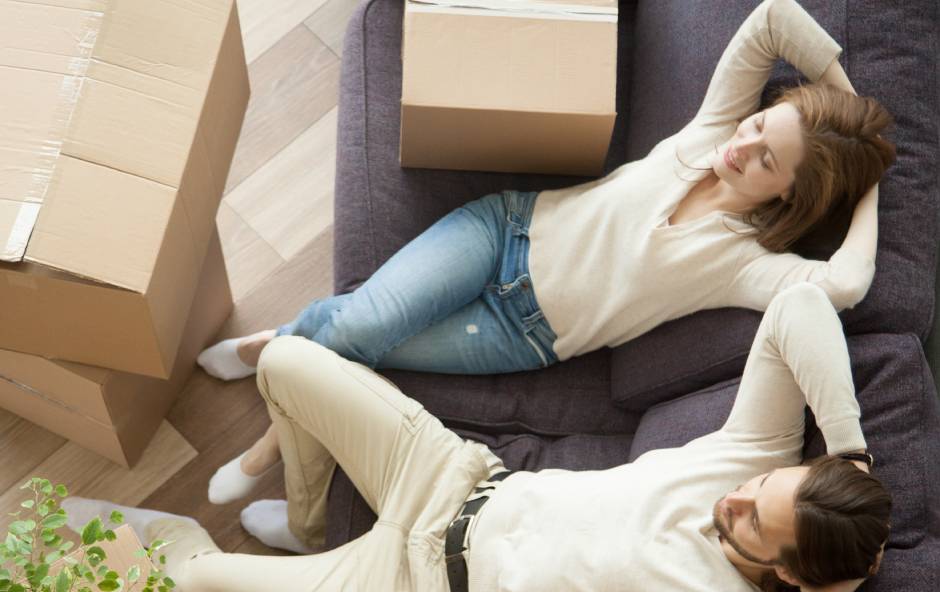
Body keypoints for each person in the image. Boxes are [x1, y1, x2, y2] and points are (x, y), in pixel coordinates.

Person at [65, 282, 891, 592]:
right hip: (450, 478)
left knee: (196, 583)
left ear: (788, 574)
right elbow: (799, 302)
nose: (736, 501)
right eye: (763, 485)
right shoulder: (748, 453)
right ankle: (312, 524)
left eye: (755, 523)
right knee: (282, 359)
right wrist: (848, 450)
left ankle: (173, 537)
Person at [196, 0, 897, 523]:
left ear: (791, 194)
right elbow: (773, 18)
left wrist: (865, 190)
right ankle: (270, 442)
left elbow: (844, 283)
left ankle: (274, 360)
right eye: (756, 127)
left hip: (518, 335)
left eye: (765, 159)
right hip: (501, 231)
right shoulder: (711, 132)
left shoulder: (745, 264)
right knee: (359, 328)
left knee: (350, 340)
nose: (741, 147)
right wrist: (840, 93)